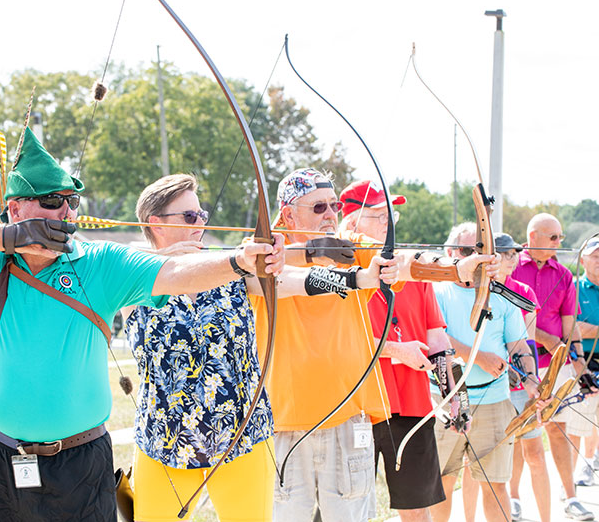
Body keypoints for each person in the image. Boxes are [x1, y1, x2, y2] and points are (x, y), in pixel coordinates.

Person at [0, 128, 286, 522]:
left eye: (71, 201)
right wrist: (8, 238)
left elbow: (175, 271)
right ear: (15, 210)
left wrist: (239, 261)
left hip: (79, 465)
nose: (65, 212)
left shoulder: (100, 262)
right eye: (51, 201)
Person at [122, 174, 397, 522]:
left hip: (241, 440)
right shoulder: (134, 274)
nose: (201, 224)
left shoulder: (229, 268)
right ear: (154, 223)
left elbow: (293, 282)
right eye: (189, 217)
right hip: (165, 441)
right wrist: (190, 258)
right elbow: (132, 256)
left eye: (202, 215)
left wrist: (358, 278)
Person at [246, 169, 497, 522]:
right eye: (319, 208)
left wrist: (458, 267)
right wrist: (356, 277)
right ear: (287, 214)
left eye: (334, 206)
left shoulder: (351, 248)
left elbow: (405, 261)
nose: (331, 215)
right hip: (283, 421)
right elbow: (289, 278)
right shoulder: (262, 255)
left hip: (347, 417)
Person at [339, 180, 449, 522]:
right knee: (347, 508)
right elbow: (339, 343)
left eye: (391, 216)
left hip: (413, 404)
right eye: (376, 215)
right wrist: (397, 351)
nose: (387, 224)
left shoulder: (410, 269)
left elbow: (437, 339)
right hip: (357, 407)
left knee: (417, 507)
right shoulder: (339, 271)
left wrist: (453, 394)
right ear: (351, 222)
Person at [429, 223, 536, 522]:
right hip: (446, 397)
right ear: (450, 253)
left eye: (481, 251)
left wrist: (531, 382)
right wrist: (478, 358)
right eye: (467, 251)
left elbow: (518, 345)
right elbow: (434, 337)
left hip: (494, 401)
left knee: (495, 485)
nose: (475, 258)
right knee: (442, 484)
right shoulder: (436, 292)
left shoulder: (501, 295)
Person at [458, 233, 548, 522]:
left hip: (518, 382)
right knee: (472, 464)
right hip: (479, 384)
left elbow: (526, 342)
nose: (511, 259)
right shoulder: (472, 287)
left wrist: (529, 378)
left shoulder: (521, 291)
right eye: (505, 253)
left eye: (513, 254)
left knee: (531, 451)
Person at [511, 213, 595, 521]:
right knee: (523, 433)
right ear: (532, 237)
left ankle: (571, 497)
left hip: (555, 366)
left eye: (560, 237)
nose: (559, 243)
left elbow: (569, 325)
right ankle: (514, 497)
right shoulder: (511, 266)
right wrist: (546, 338)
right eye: (553, 237)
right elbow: (515, 316)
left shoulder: (563, 274)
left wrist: (578, 363)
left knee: (558, 431)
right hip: (520, 368)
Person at [573, 238, 599, 487]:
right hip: (586, 360)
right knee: (586, 416)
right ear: (583, 260)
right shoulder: (575, 288)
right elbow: (573, 327)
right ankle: (586, 463)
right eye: (595, 255)